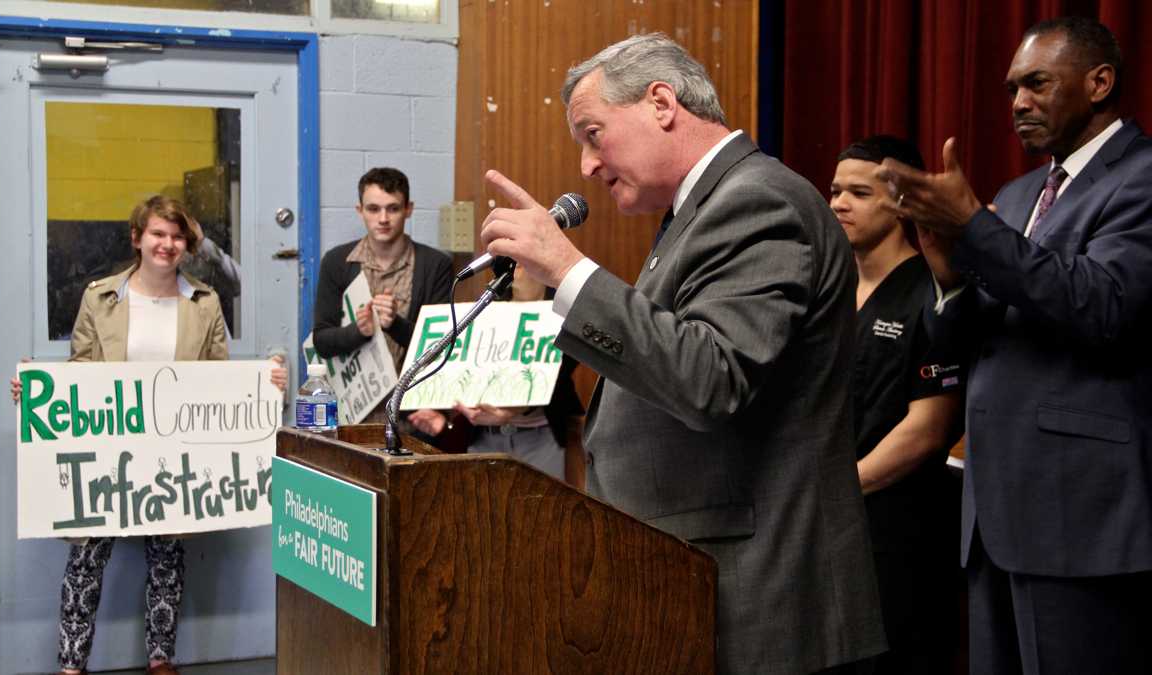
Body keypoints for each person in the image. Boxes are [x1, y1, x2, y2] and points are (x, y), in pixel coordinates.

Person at [479, 33, 885, 674]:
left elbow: (710, 378)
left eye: (593, 133)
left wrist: (568, 268)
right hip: (695, 575)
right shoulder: (699, 211)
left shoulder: (757, 200)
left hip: (760, 594)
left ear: (661, 103)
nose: (586, 165)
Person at [878, 17, 1152, 674]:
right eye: (1008, 90)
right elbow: (974, 339)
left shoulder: (1141, 177)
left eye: (1036, 84)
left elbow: (1101, 303)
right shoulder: (1016, 194)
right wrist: (946, 271)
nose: (1018, 104)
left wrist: (974, 228)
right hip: (993, 517)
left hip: (1082, 517)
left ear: (1099, 82)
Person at [12, 196, 287, 675]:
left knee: (166, 555)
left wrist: (266, 383)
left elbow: (216, 380)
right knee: (87, 556)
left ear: (187, 244)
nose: (168, 244)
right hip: (108, 451)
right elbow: (81, 370)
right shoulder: (101, 297)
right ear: (137, 238)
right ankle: (71, 664)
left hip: (172, 453)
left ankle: (161, 659)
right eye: (158, 234)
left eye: (178, 236)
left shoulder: (204, 302)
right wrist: (40, 392)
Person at [830, 136, 963, 674]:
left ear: (901, 202)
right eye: (835, 190)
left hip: (899, 537)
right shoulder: (828, 288)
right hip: (828, 529)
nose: (839, 203)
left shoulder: (932, 292)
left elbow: (929, 429)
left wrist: (836, 489)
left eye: (859, 193)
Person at [407, 265, 584, 480]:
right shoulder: (486, 307)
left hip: (542, 438)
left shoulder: (568, 312)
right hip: (485, 438)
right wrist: (444, 415)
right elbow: (467, 374)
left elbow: (562, 371)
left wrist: (516, 408)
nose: (516, 263)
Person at [312, 167, 453, 422]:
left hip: (411, 414)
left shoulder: (435, 265)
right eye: (373, 209)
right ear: (360, 211)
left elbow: (442, 347)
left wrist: (394, 324)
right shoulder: (337, 261)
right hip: (351, 413)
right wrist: (359, 331)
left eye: (393, 208)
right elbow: (321, 340)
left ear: (408, 209)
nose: (383, 218)